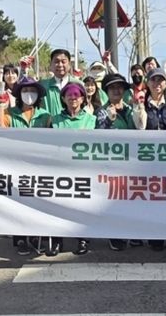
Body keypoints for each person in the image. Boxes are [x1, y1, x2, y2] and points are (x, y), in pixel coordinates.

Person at [0, 76, 51, 256]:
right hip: (16, 166)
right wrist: (1, 105)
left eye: (32, 91)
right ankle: (19, 239)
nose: (29, 94)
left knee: (36, 203)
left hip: (38, 167)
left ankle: (35, 236)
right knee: (17, 203)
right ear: (19, 94)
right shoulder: (10, 113)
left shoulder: (45, 116)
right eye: (25, 91)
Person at [132, 67, 166, 251]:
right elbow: (139, 128)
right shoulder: (141, 102)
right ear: (147, 83)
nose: (157, 83)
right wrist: (139, 106)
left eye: (160, 80)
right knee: (153, 199)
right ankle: (155, 236)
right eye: (153, 80)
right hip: (149, 162)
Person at [51, 81, 97, 256]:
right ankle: (57, 240)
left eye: (76, 94)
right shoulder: (54, 120)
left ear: (83, 98)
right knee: (58, 205)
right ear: (63, 98)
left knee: (82, 206)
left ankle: (83, 239)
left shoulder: (91, 120)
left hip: (83, 170)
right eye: (69, 94)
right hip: (60, 169)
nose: (73, 98)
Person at [95, 73, 136, 252]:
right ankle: (115, 235)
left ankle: (132, 233)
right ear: (106, 91)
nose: (116, 91)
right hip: (112, 164)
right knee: (114, 199)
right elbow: (100, 135)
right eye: (112, 88)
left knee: (132, 199)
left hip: (133, 162)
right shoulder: (102, 111)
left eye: (119, 87)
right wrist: (109, 121)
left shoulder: (131, 109)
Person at [40, 49, 75, 117]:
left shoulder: (78, 85)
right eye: (56, 61)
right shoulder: (43, 86)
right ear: (51, 64)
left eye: (63, 61)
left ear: (69, 64)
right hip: (49, 123)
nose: (60, 65)